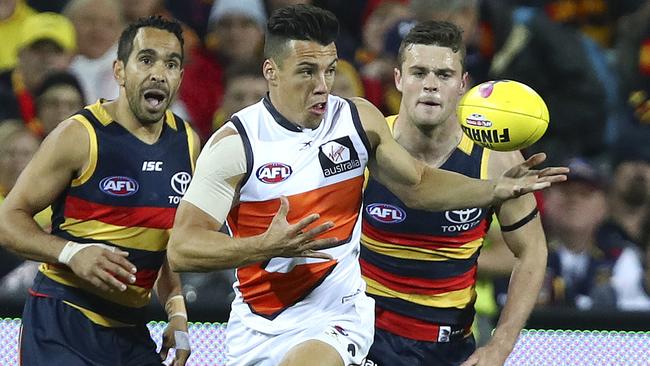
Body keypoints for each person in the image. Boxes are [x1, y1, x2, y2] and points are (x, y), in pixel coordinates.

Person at [167, 5, 567, 366]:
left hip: (358, 324)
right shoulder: (235, 144)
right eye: (308, 71)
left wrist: (492, 191)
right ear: (271, 71)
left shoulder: (358, 125)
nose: (323, 84)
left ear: (463, 82)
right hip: (261, 323)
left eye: (330, 70)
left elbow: (421, 187)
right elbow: (182, 249)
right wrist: (263, 247)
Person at [0, 16, 199, 365]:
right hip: (62, 321)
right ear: (119, 71)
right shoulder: (79, 135)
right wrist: (71, 253)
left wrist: (176, 310)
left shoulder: (187, 143)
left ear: (180, 76)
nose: (159, 73)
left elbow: (166, 241)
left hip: (130, 329)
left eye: (171, 63)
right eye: (146, 59)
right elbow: (8, 221)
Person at [358, 21, 549, 366]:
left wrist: (500, 345)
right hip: (363, 339)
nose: (430, 85)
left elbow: (532, 250)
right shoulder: (365, 146)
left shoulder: (496, 160)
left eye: (444, 75)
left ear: (463, 85)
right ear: (398, 78)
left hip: (449, 349)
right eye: (419, 72)